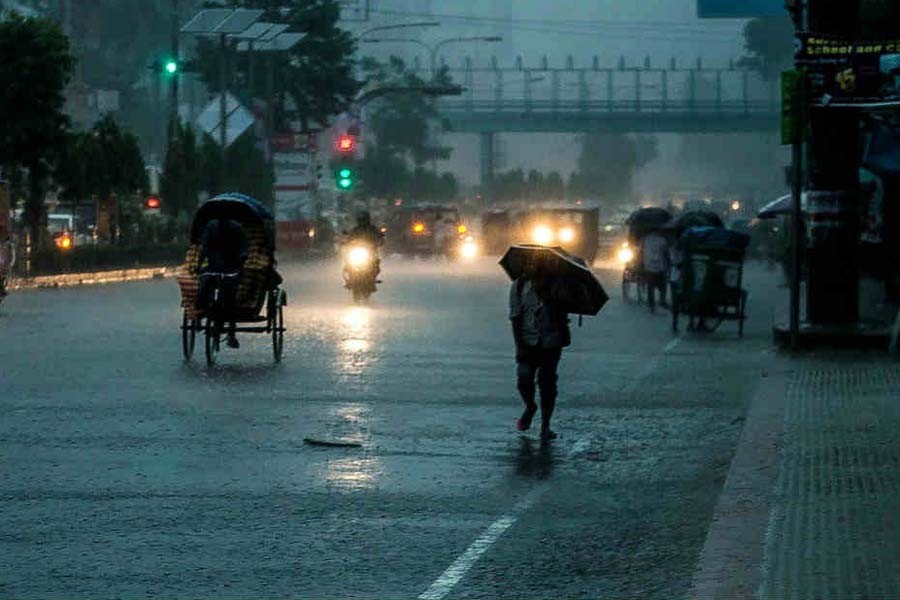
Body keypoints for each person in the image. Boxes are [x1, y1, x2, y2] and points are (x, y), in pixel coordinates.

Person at [509, 255, 571, 440]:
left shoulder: (557, 286)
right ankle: (530, 406)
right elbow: (515, 318)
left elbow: (567, 305)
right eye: (527, 263)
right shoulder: (518, 287)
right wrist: (519, 345)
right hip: (527, 341)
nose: (529, 266)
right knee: (524, 379)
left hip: (551, 341)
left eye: (533, 263)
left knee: (547, 383)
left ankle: (545, 425)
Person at [198, 217, 248, 348]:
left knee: (230, 299)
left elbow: (243, 248)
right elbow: (204, 246)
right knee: (204, 285)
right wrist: (198, 263)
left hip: (232, 267)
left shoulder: (237, 228)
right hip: (213, 266)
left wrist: (242, 260)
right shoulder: (211, 227)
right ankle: (201, 308)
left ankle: (231, 333)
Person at [641, 229, 669, 312]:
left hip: (648, 266)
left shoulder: (645, 239)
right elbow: (666, 251)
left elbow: (640, 250)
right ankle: (662, 300)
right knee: (662, 285)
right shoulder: (663, 240)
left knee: (650, 286)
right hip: (660, 266)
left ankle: (651, 303)